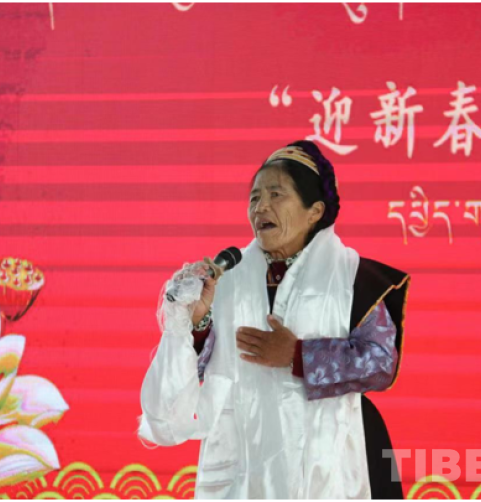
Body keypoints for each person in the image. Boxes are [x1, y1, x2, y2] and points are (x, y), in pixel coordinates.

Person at [138, 140, 410, 499]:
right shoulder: (225, 281)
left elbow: (380, 364)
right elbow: (201, 373)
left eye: (276, 194)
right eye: (254, 197)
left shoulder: (355, 278)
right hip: (244, 466)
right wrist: (197, 323)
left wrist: (299, 355)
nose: (260, 207)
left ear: (314, 211)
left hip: (330, 464)